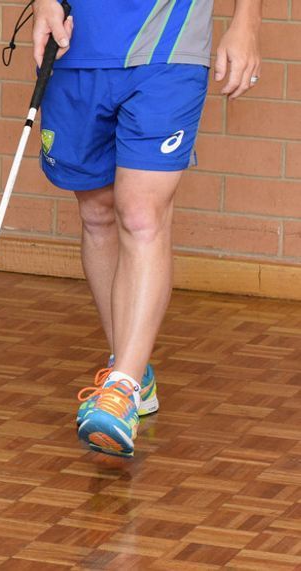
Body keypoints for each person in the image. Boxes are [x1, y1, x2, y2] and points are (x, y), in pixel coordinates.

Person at [31, 0, 261, 456]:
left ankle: (122, 388)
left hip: (168, 48)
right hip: (79, 44)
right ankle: (132, 367)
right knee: (97, 213)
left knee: (140, 214)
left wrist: (247, 21)